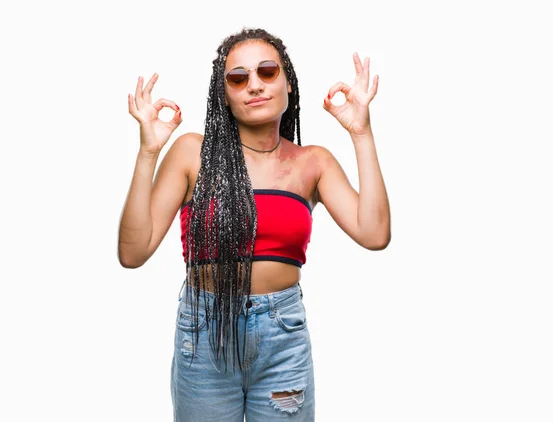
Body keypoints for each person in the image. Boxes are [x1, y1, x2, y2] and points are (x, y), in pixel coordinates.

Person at [118, 27, 390, 422]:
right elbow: (133, 252)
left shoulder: (312, 162)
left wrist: (361, 133)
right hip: (206, 330)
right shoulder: (193, 152)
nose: (255, 86)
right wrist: (148, 152)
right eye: (238, 78)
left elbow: (375, 233)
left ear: (288, 83)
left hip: (283, 335)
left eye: (267, 72)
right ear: (224, 94)